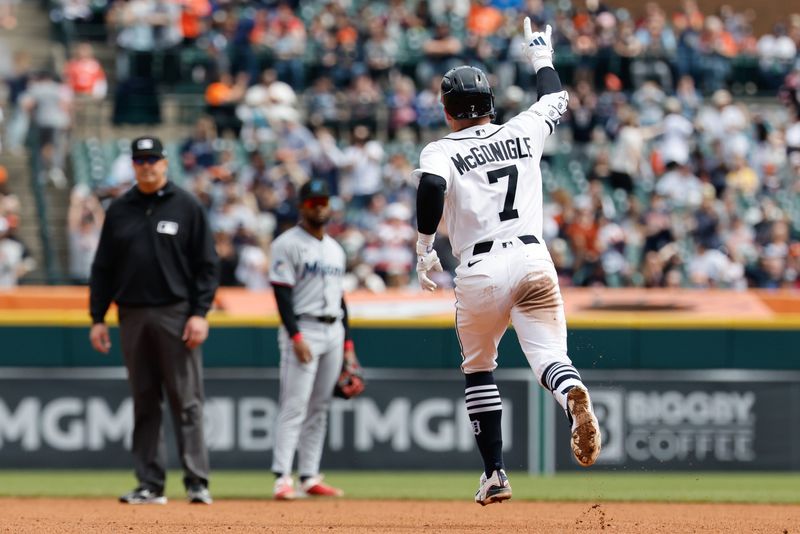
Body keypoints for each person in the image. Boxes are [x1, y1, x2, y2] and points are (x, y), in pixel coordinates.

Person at [413, 19, 602, 506]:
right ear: (490, 103)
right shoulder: (522, 129)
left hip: (479, 270)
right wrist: (541, 55)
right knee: (551, 358)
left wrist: (423, 244)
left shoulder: (441, 148)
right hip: (533, 257)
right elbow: (555, 99)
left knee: (479, 368)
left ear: (447, 109)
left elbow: (432, 187)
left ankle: (495, 472)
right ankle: (572, 394)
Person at [88, 136, 219, 505]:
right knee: (144, 400)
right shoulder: (119, 210)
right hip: (131, 313)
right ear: (133, 165)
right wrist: (97, 317)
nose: (146, 165)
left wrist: (199, 313)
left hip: (175, 313)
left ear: (165, 163)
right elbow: (102, 269)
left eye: (152, 159)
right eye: (140, 159)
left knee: (186, 400)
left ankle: (197, 481)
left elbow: (207, 267)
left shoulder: (187, 207)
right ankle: (150, 484)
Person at [269, 178, 355, 500]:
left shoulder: (335, 248)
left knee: (319, 406)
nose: (319, 207)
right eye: (312, 202)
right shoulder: (286, 243)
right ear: (302, 206)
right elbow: (281, 294)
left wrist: (348, 344)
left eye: (323, 201)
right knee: (294, 405)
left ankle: (309, 475)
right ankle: (282, 477)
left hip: (333, 330)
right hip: (303, 329)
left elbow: (342, 301)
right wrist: (294, 335)